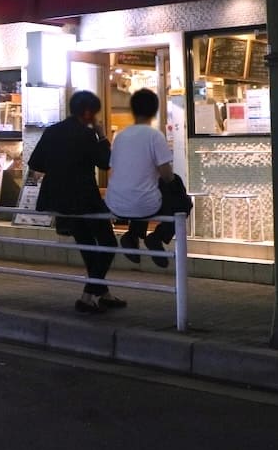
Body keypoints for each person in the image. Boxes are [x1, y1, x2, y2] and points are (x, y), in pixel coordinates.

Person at [30, 90, 123, 314]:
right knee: (108, 243)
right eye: (95, 114)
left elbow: (36, 163)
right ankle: (87, 296)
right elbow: (104, 163)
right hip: (84, 198)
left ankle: (102, 294)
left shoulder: (52, 131)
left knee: (88, 245)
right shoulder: (85, 134)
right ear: (88, 112)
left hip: (60, 199)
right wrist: (102, 136)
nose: (96, 119)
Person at [106, 89, 190, 269]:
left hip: (115, 204)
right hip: (144, 204)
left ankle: (133, 235)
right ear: (154, 111)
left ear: (132, 110)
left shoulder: (119, 136)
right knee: (181, 197)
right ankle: (157, 237)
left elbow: (115, 168)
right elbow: (167, 175)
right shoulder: (154, 136)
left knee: (145, 186)